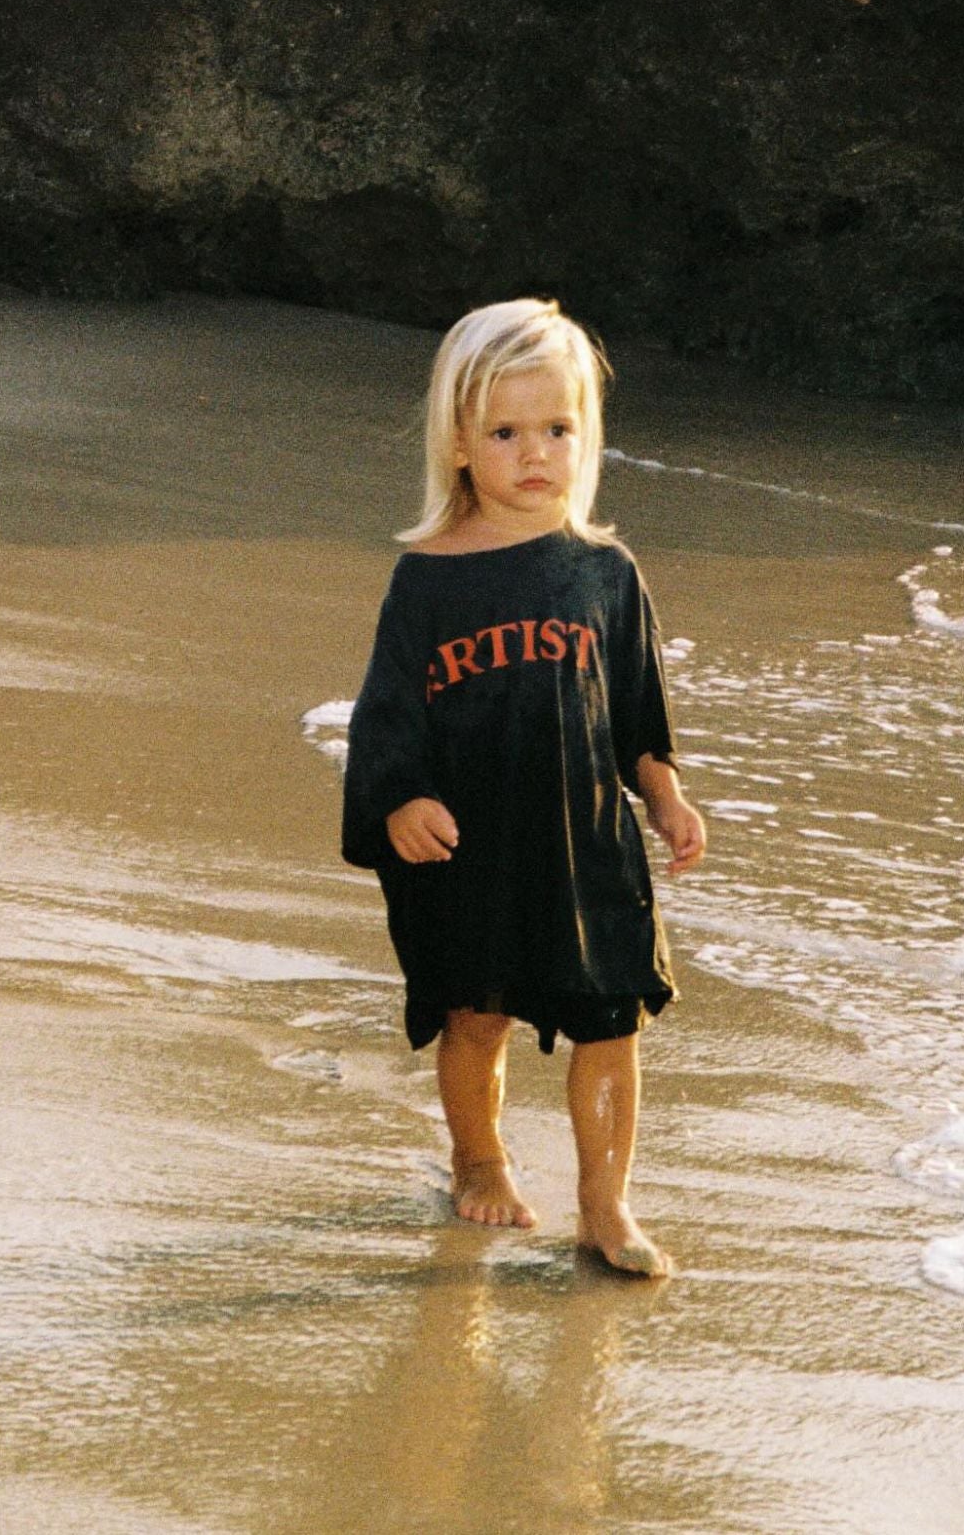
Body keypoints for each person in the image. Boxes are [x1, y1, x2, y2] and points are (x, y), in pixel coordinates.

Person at [342, 297, 706, 1276]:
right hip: (472, 847)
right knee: (475, 1014)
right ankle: (480, 1155)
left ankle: (604, 1202)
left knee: (611, 1021)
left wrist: (663, 795)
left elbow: (637, 712)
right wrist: (398, 798)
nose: (533, 451)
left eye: (556, 429)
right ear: (459, 442)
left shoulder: (603, 574)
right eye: (505, 431)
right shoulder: (427, 581)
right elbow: (385, 720)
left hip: (586, 845)